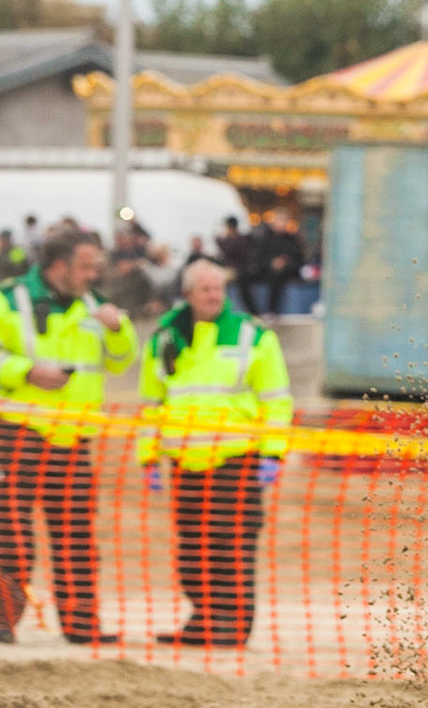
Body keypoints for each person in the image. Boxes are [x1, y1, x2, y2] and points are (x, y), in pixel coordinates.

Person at [138, 259, 293, 647]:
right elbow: (151, 402)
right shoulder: (165, 338)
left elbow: (276, 400)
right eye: (205, 289)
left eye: (218, 289)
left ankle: (232, 626)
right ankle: (203, 620)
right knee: (192, 546)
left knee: (230, 544)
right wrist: (147, 455)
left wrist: (273, 453)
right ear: (187, 293)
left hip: (234, 459)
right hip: (185, 461)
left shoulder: (252, 336)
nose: (213, 296)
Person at [0, 227, 138, 644]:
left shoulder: (96, 304)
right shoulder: (10, 299)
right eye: (86, 266)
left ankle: (82, 626)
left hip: (74, 440)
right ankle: (3, 621)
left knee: (77, 538)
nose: (94, 273)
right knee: (10, 537)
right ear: (58, 266)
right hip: (18, 433)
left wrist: (118, 330)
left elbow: (120, 362)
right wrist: (26, 372)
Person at [247, 213, 305, 318]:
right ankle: (253, 312)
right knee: (243, 277)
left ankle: (272, 311)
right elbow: (258, 258)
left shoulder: (292, 240)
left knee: (277, 276)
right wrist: (271, 263)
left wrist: (285, 262)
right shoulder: (265, 239)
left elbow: (299, 260)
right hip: (266, 270)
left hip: (286, 272)